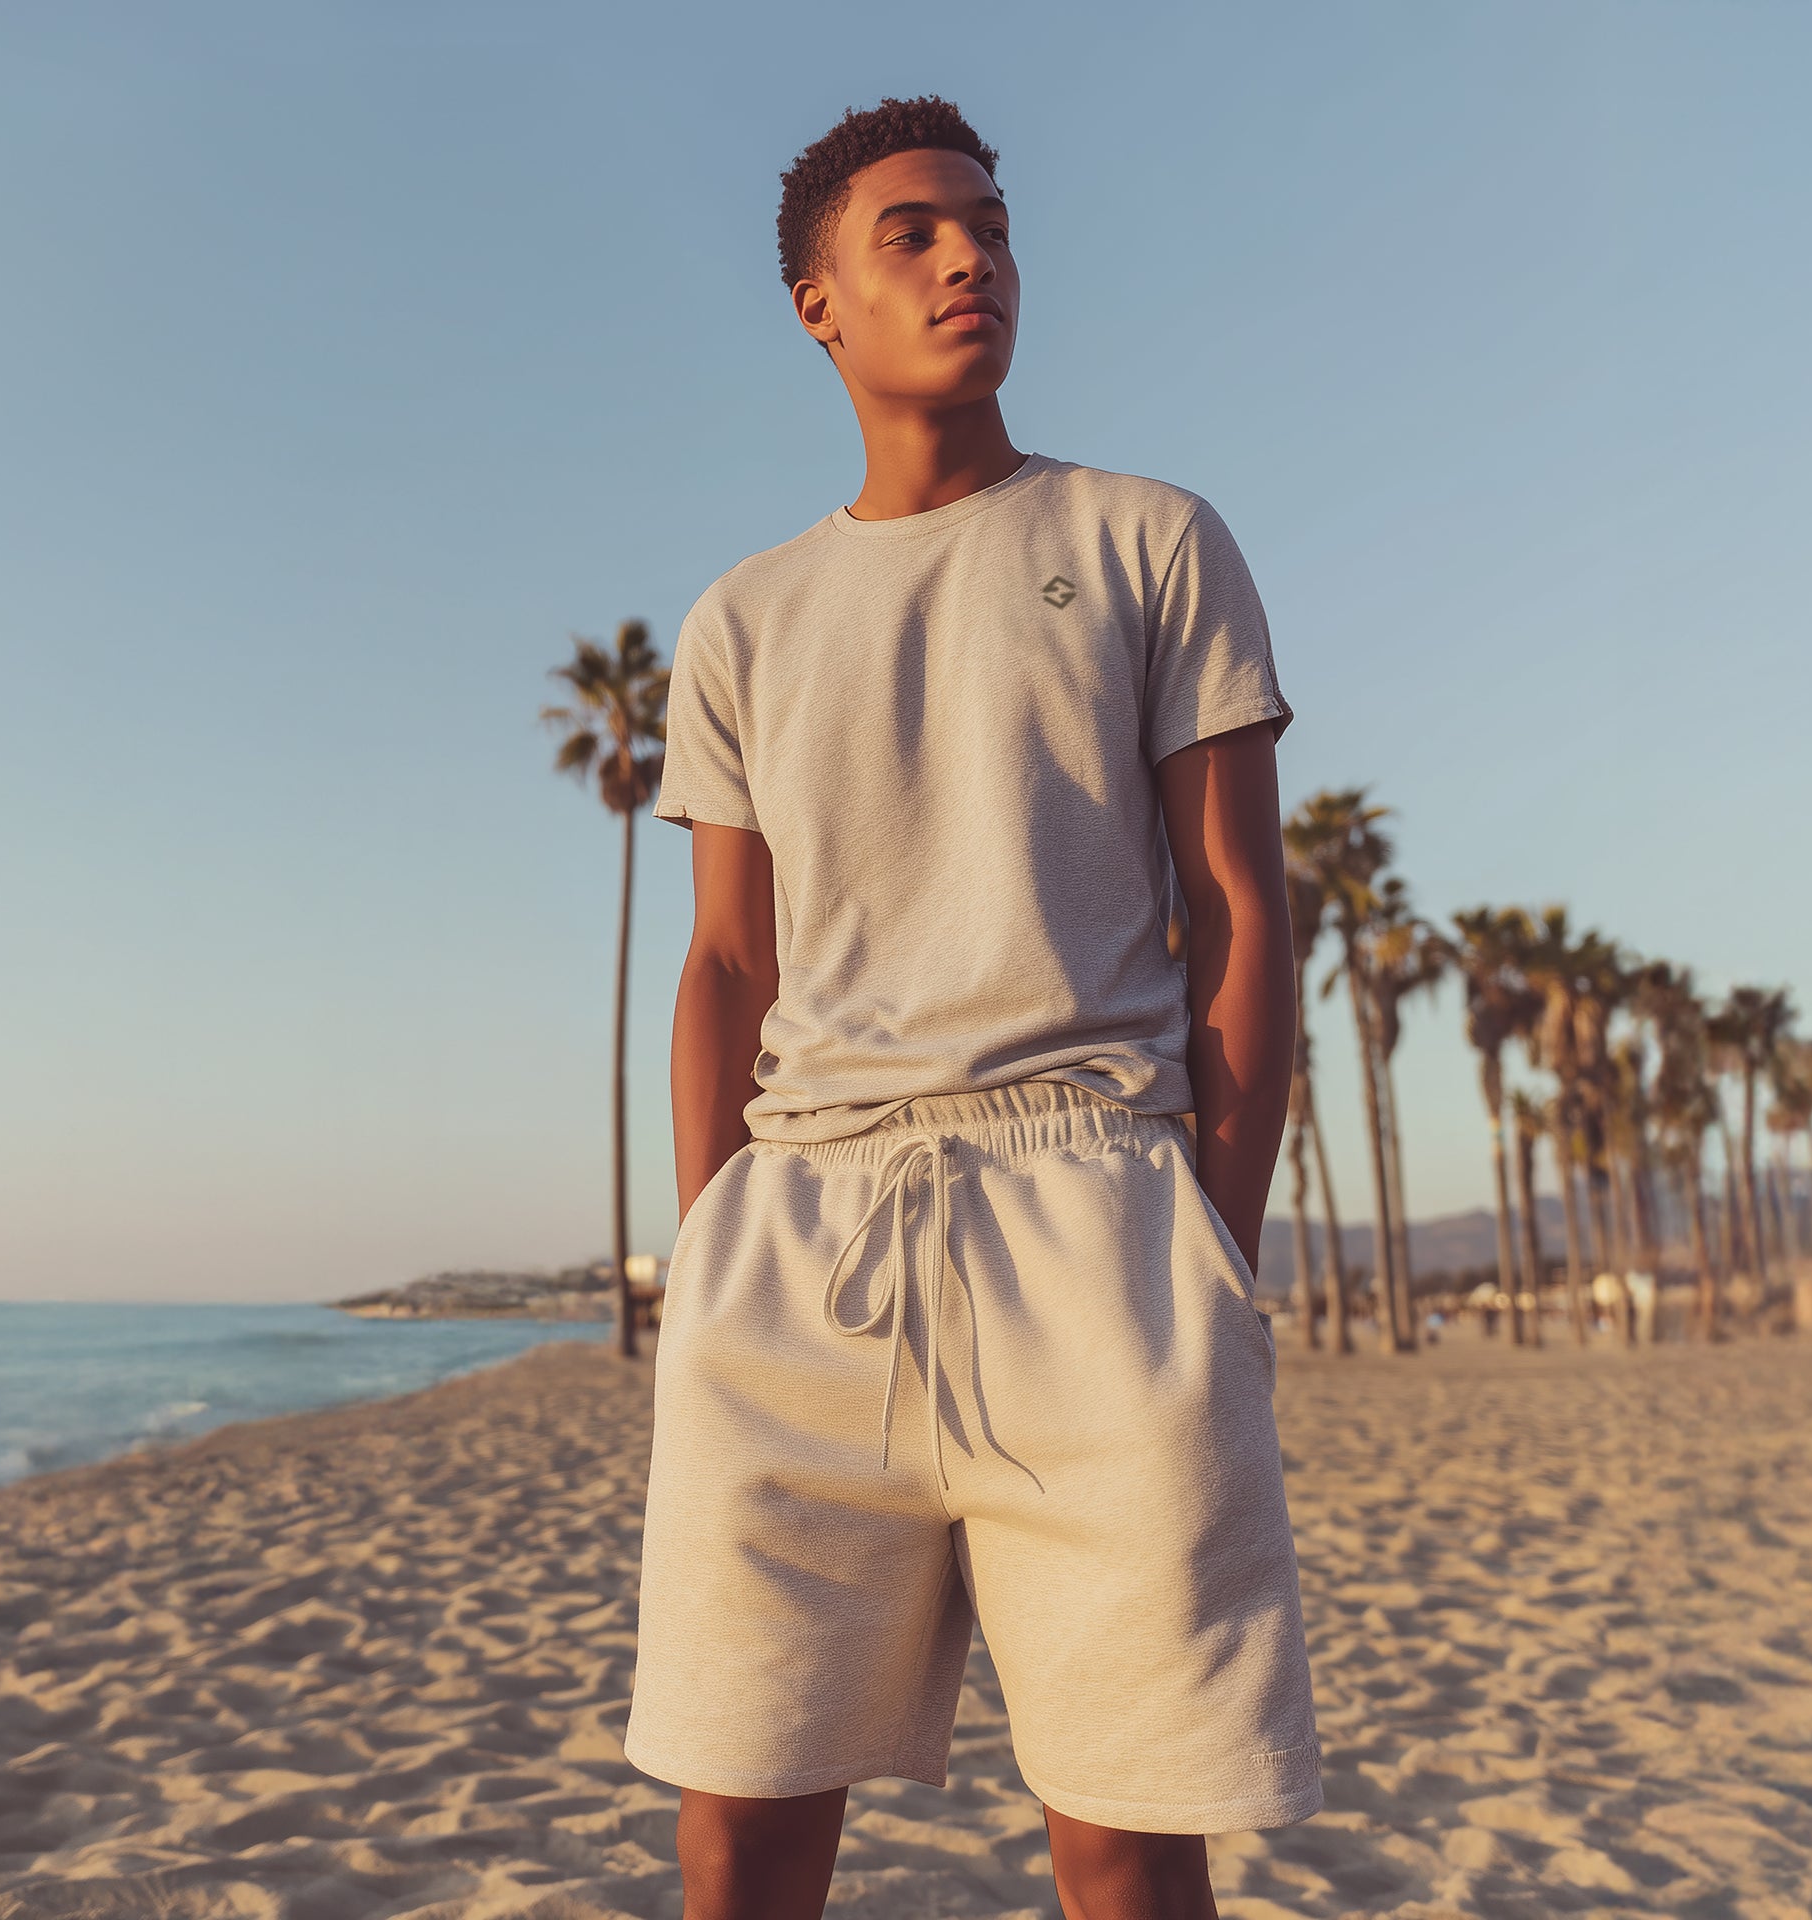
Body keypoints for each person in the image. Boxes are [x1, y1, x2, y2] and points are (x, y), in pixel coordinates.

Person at [623, 96, 1317, 1920]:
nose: (970, 260)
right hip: (800, 1247)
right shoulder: (742, 621)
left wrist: (1209, 1247)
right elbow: (721, 963)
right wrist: (707, 1251)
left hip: (1092, 1215)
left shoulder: (1151, 539)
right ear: (817, 305)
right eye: (916, 233)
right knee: (743, 1826)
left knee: (1122, 1828)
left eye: (992, 227)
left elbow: (1244, 904)